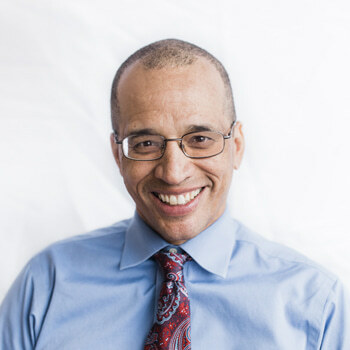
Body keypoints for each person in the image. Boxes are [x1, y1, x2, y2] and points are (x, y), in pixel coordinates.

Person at [0, 39, 349, 350]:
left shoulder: (316, 305)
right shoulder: (46, 285)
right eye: (146, 143)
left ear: (237, 146)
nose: (173, 172)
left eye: (200, 139)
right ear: (117, 155)